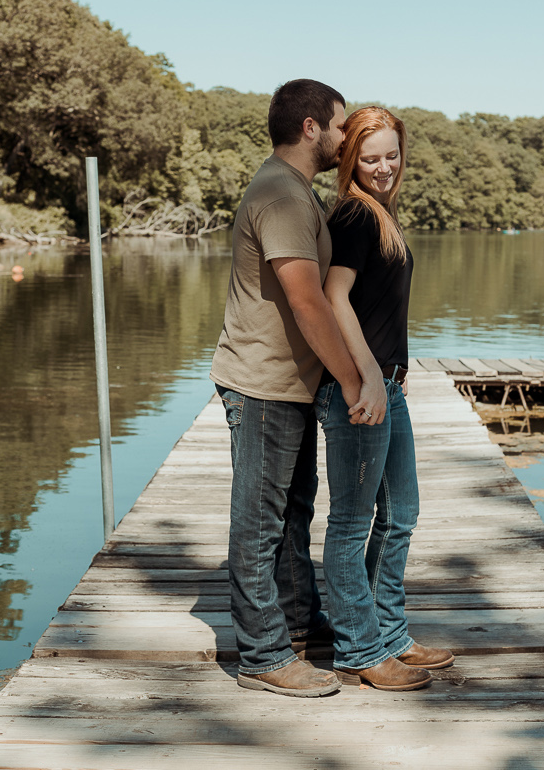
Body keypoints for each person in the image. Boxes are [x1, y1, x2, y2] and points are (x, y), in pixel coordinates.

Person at [209, 78, 379, 697]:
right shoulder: (280, 195)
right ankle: (262, 656)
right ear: (311, 127)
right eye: (339, 125)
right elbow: (307, 302)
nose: (344, 138)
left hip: (289, 386)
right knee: (260, 523)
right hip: (262, 385)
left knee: (293, 516)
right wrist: (356, 380)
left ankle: (300, 629)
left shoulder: (294, 192)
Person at [317, 106, 453, 689]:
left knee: (401, 514)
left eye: (391, 154)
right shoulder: (353, 214)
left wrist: (392, 368)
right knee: (352, 523)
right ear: (350, 160)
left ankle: (389, 635)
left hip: (386, 385)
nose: (383, 166)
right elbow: (334, 294)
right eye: (369, 157)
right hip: (360, 391)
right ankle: (358, 650)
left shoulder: (381, 214)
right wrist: (370, 374)